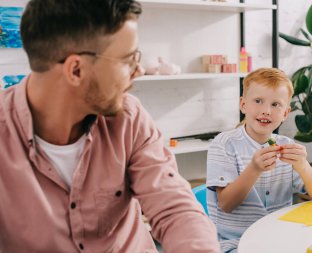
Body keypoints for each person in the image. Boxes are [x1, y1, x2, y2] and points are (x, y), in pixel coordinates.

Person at [0, 0, 220, 252]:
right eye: (128, 59)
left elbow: (175, 209)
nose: (138, 70)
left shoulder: (130, 117)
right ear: (76, 70)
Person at [206, 68, 312, 253]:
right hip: (235, 243)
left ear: (286, 113)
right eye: (258, 101)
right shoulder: (223, 144)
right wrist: (254, 169)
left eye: (276, 104)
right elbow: (226, 204)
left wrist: (303, 166)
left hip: (279, 238)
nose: (266, 111)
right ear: (243, 104)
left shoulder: (287, 145)